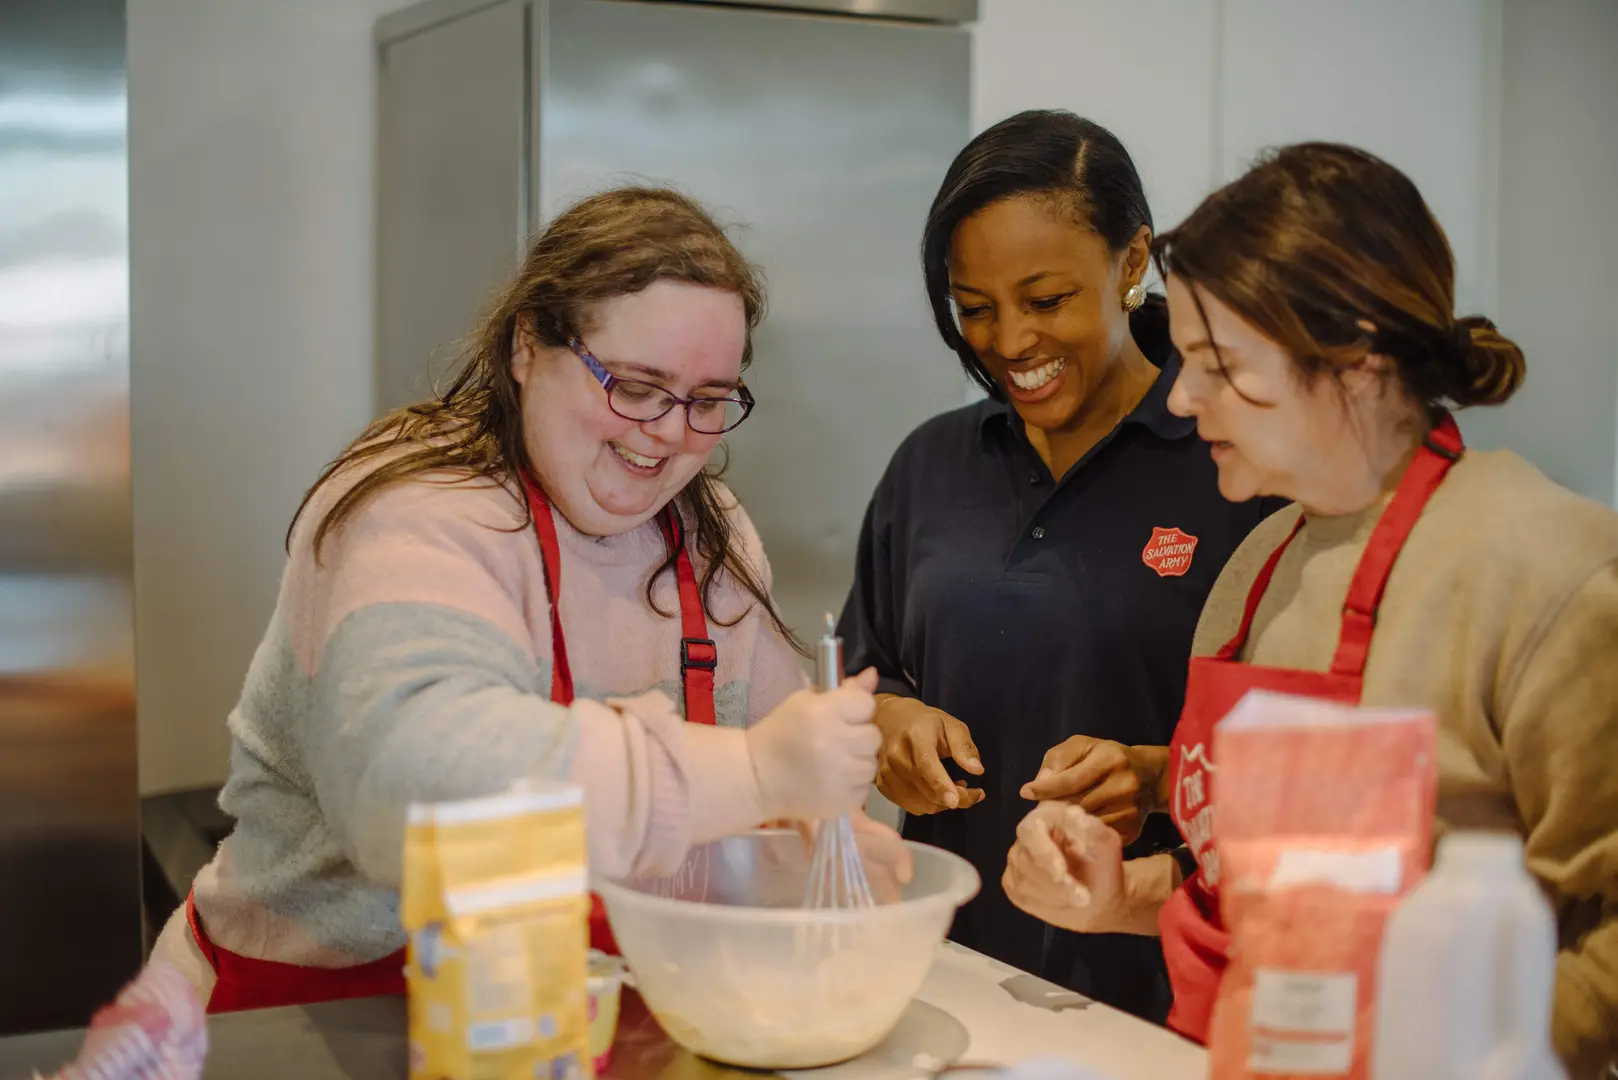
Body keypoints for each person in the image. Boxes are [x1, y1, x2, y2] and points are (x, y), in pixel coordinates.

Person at [150, 186, 887, 1012]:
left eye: (708, 401)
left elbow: (779, 782)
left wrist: (822, 836)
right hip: (322, 1018)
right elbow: (412, 795)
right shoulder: (415, 504)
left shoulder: (709, 534)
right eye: (637, 386)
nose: (672, 433)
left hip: (581, 1006)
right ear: (526, 345)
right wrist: (753, 772)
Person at [1001, 143, 1618, 1077]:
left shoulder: (1545, 568)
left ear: (1357, 359)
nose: (1181, 393)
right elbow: (1273, 900)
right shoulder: (1260, 564)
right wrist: (1115, 898)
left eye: (1219, 363)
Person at [837, 110, 1284, 1021]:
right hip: (948, 972)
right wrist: (885, 723)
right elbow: (854, 672)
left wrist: (1161, 775)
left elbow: (1319, 754)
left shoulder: (1237, 461)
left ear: (1131, 265)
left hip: (1165, 988)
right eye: (974, 309)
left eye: (1045, 301)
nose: (1007, 343)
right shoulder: (932, 463)